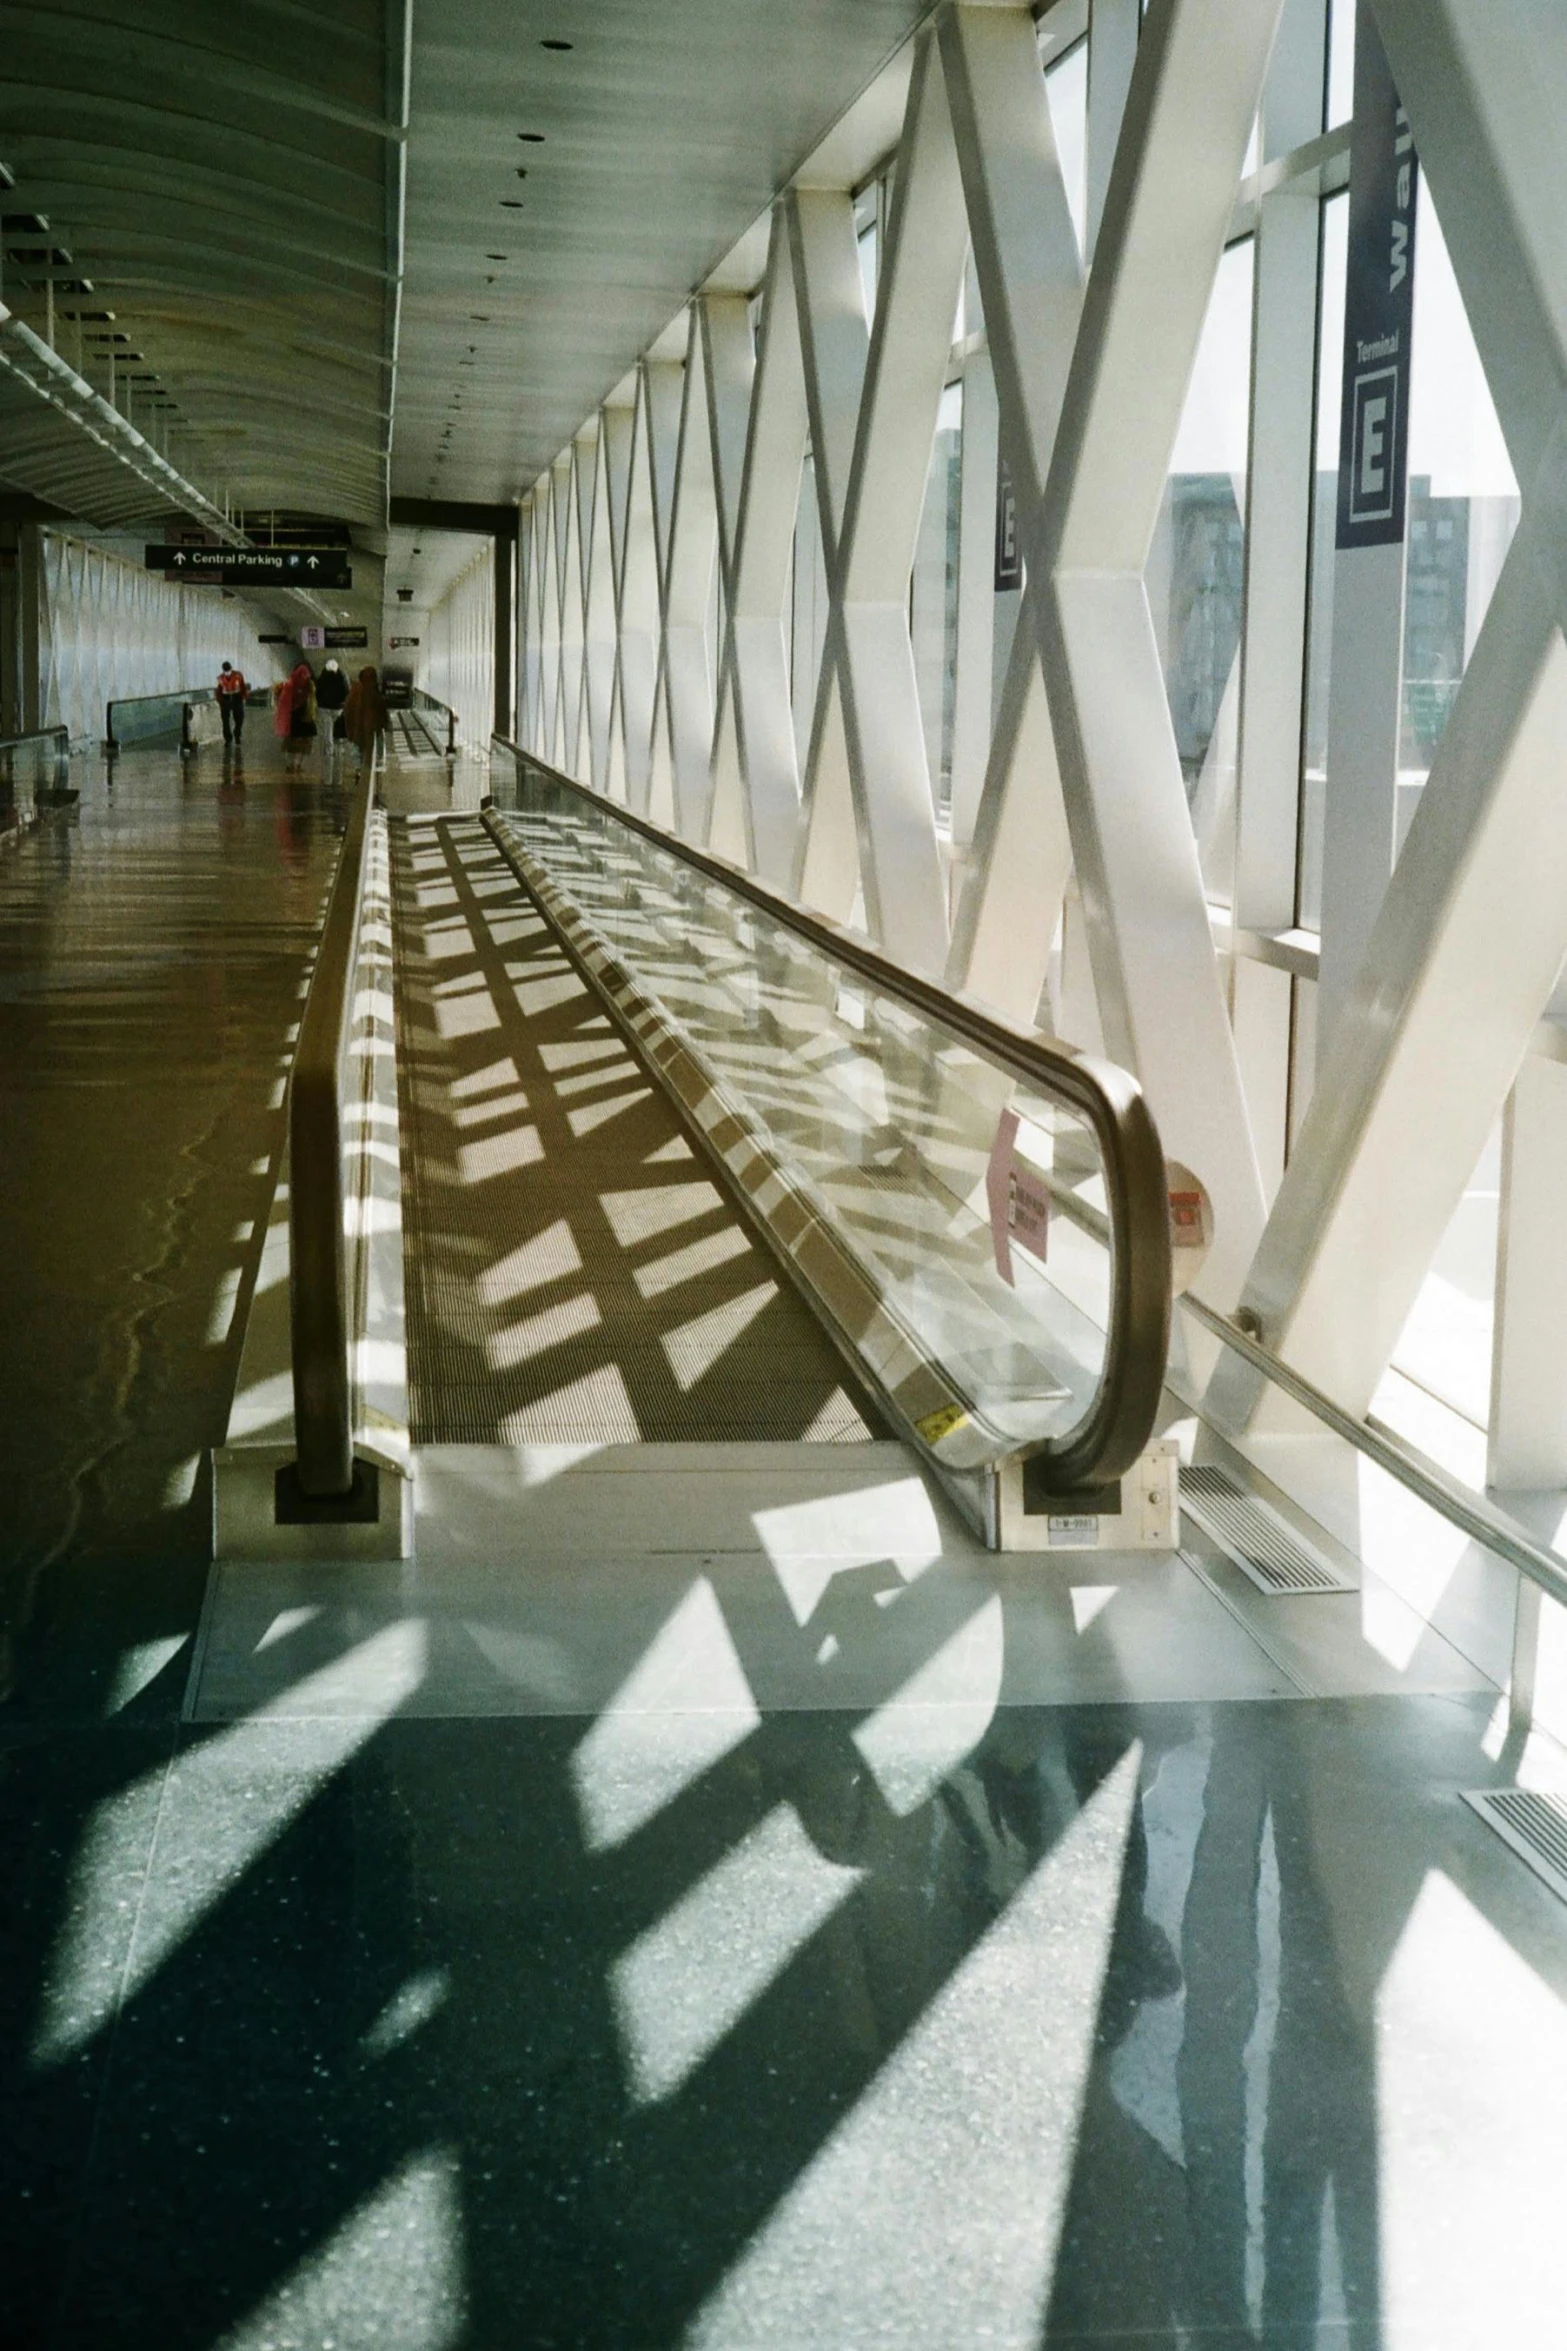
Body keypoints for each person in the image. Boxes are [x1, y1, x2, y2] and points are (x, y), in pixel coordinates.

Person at [341, 664, 389, 773]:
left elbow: (348, 709)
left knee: (357, 751)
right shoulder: (375, 692)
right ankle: (367, 772)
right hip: (370, 730)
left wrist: (349, 724)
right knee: (369, 753)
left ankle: (358, 772)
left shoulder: (355, 690)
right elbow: (382, 711)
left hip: (356, 728)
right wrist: (384, 724)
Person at [272, 660, 316, 767]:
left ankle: (291, 764)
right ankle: (298, 763)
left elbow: (281, 699)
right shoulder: (310, 685)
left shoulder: (288, 685)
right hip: (306, 718)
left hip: (293, 719)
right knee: (303, 743)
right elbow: (314, 699)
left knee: (290, 743)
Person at [315, 656, 350, 763]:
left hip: (324, 708)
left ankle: (329, 753)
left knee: (327, 731)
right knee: (337, 731)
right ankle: (338, 751)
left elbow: (317, 692)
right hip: (338, 709)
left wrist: (319, 703)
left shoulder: (322, 676)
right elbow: (347, 691)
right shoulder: (342, 676)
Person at [214, 659, 248, 745]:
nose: (227, 672)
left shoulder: (238, 675)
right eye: (225, 671)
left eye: (228, 670)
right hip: (225, 699)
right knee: (225, 720)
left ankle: (237, 735)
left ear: (231, 668)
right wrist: (220, 701)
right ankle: (228, 739)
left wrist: (243, 697)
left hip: (237, 698)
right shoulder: (220, 678)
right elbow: (218, 691)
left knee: (239, 719)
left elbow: (243, 686)